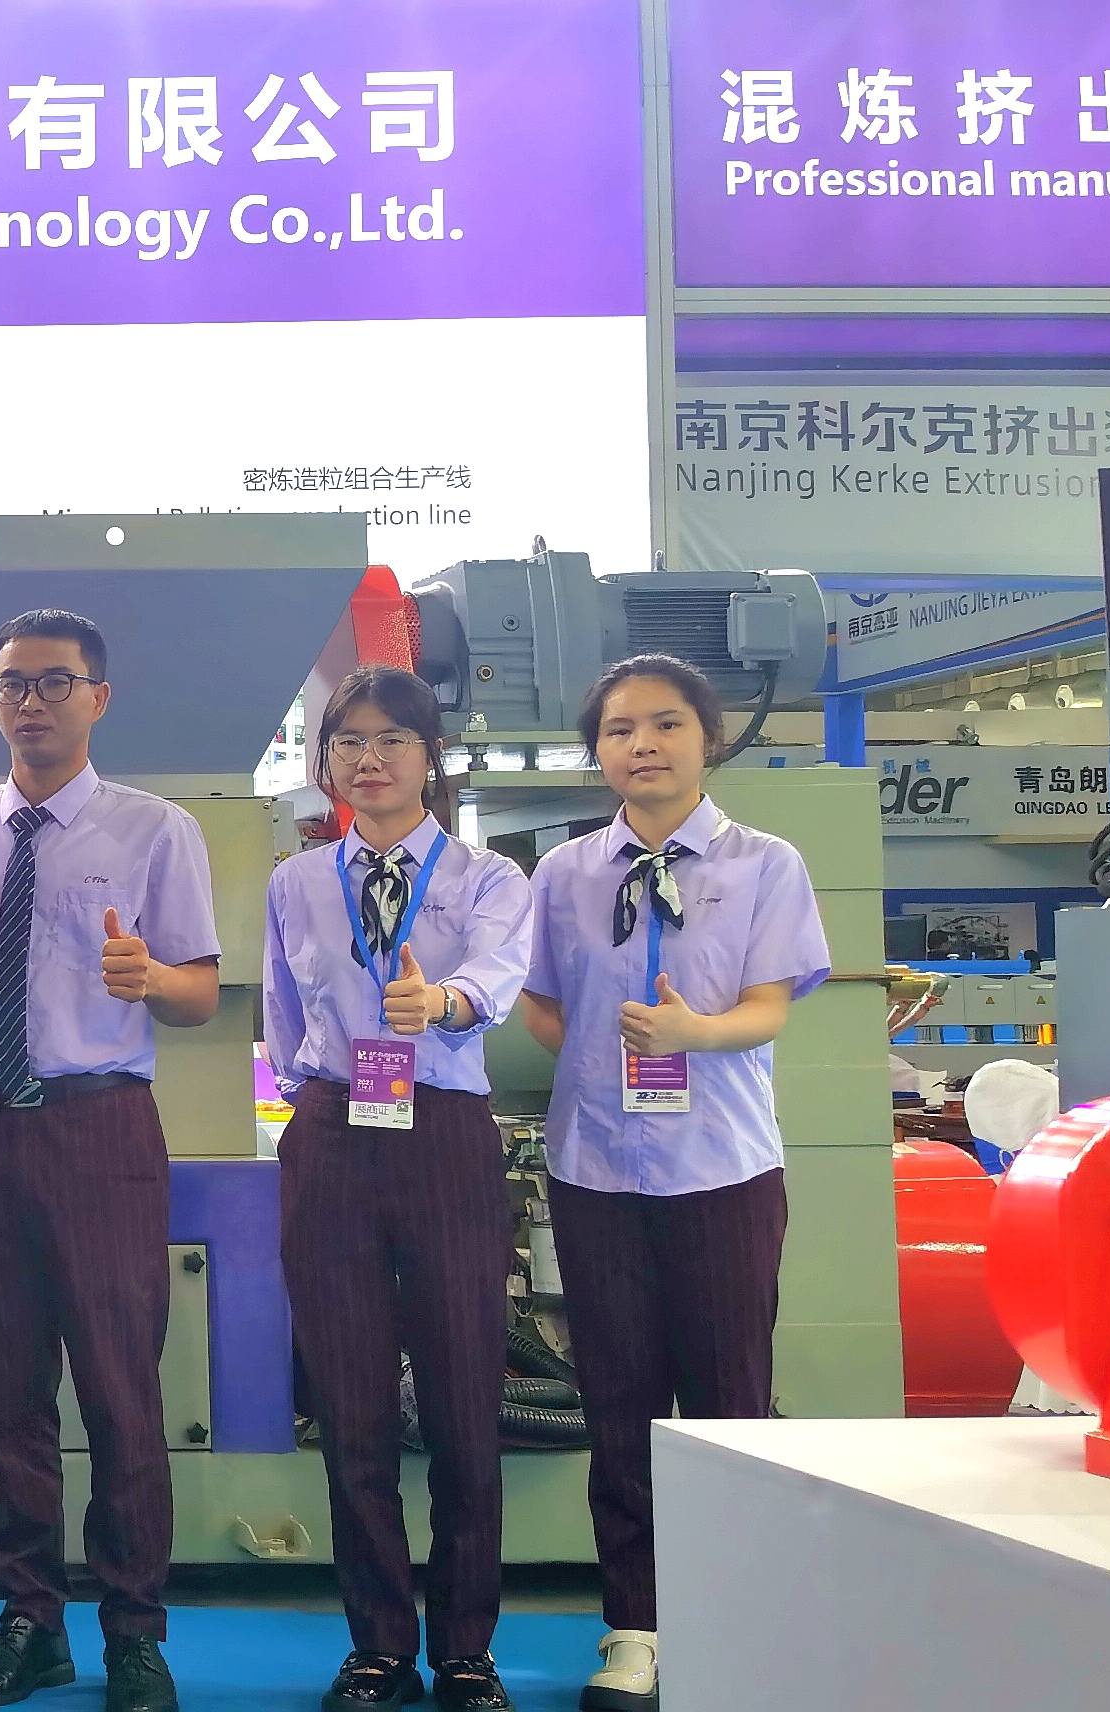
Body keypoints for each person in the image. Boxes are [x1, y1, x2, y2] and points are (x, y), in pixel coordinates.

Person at [518, 655, 828, 1712]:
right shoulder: (563, 873)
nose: (641, 744)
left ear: (708, 738)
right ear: (596, 750)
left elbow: (770, 1005)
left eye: (665, 724)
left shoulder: (765, 864)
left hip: (721, 1168)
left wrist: (695, 1033)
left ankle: (737, 1619)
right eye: (618, 729)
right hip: (595, 1171)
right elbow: (540, 1002)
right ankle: (636, 1628)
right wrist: (596, 1064)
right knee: (620, 1406)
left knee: (729, 1403)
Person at [0, 609, 217, 1712]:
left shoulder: (154, 830)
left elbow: (198, 993)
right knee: (4, 1395)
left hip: (99, 1132)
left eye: (55, 681)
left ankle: (135, 1629)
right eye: (12, 683)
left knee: (119, 1391)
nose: (30, 702)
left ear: (99, 696)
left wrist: (153, 979)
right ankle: (29, 1619)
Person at [261, 667, 532, 1712]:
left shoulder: (488, 876)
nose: (368, 760)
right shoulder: (297, 881)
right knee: (351, 1405)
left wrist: (444, 1001)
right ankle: (377, 1645)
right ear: (326, 761)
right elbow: (284, 1014)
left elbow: (498, 973)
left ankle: (465, 1649)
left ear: (431, 756)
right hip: (334, 1135)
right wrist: (314, 1096)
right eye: (348, 742)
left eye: (392, 740)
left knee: (465, 1401)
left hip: (445, 1134)